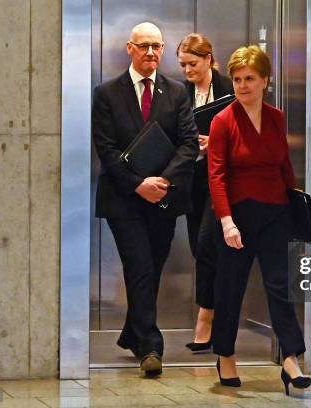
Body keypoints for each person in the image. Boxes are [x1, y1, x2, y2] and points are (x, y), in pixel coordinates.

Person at [92, 22, 199, 377]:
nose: (151, 52)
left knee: (151, 268)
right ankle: (151, 347)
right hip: (124, 199)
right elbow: (105, 148)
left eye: (156, 46)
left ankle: (131, 333)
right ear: (129, 49)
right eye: (144, 46)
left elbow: (188, 142)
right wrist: (138, 184)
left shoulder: (177, 92)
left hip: (164, 198)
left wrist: (164, 181)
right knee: (139, 267)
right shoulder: (107, 93)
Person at [207, 45, 311, 394]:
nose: (242, 85)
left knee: (280, 286)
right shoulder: (223, 121)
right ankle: (225, 355)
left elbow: (283, 165)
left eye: (249, 78)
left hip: (275, 212)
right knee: (230, 289)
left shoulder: (277, 117)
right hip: (236, 216)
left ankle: (291, 357)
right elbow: (216, 175)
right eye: (237, 79)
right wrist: (226, 221)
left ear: (265, 80)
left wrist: (293, 202)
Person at [176, 33, 233, 352]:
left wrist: (216, 143)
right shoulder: (177, 93)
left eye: (193, 64)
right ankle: (219, 312)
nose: (187, 70)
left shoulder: (228, 89)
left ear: (209, 59)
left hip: (222, 178)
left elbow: (246, 130)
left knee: (207, 241)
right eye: (182, 64)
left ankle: (206, 316)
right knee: (201, 249)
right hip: (192, 178)